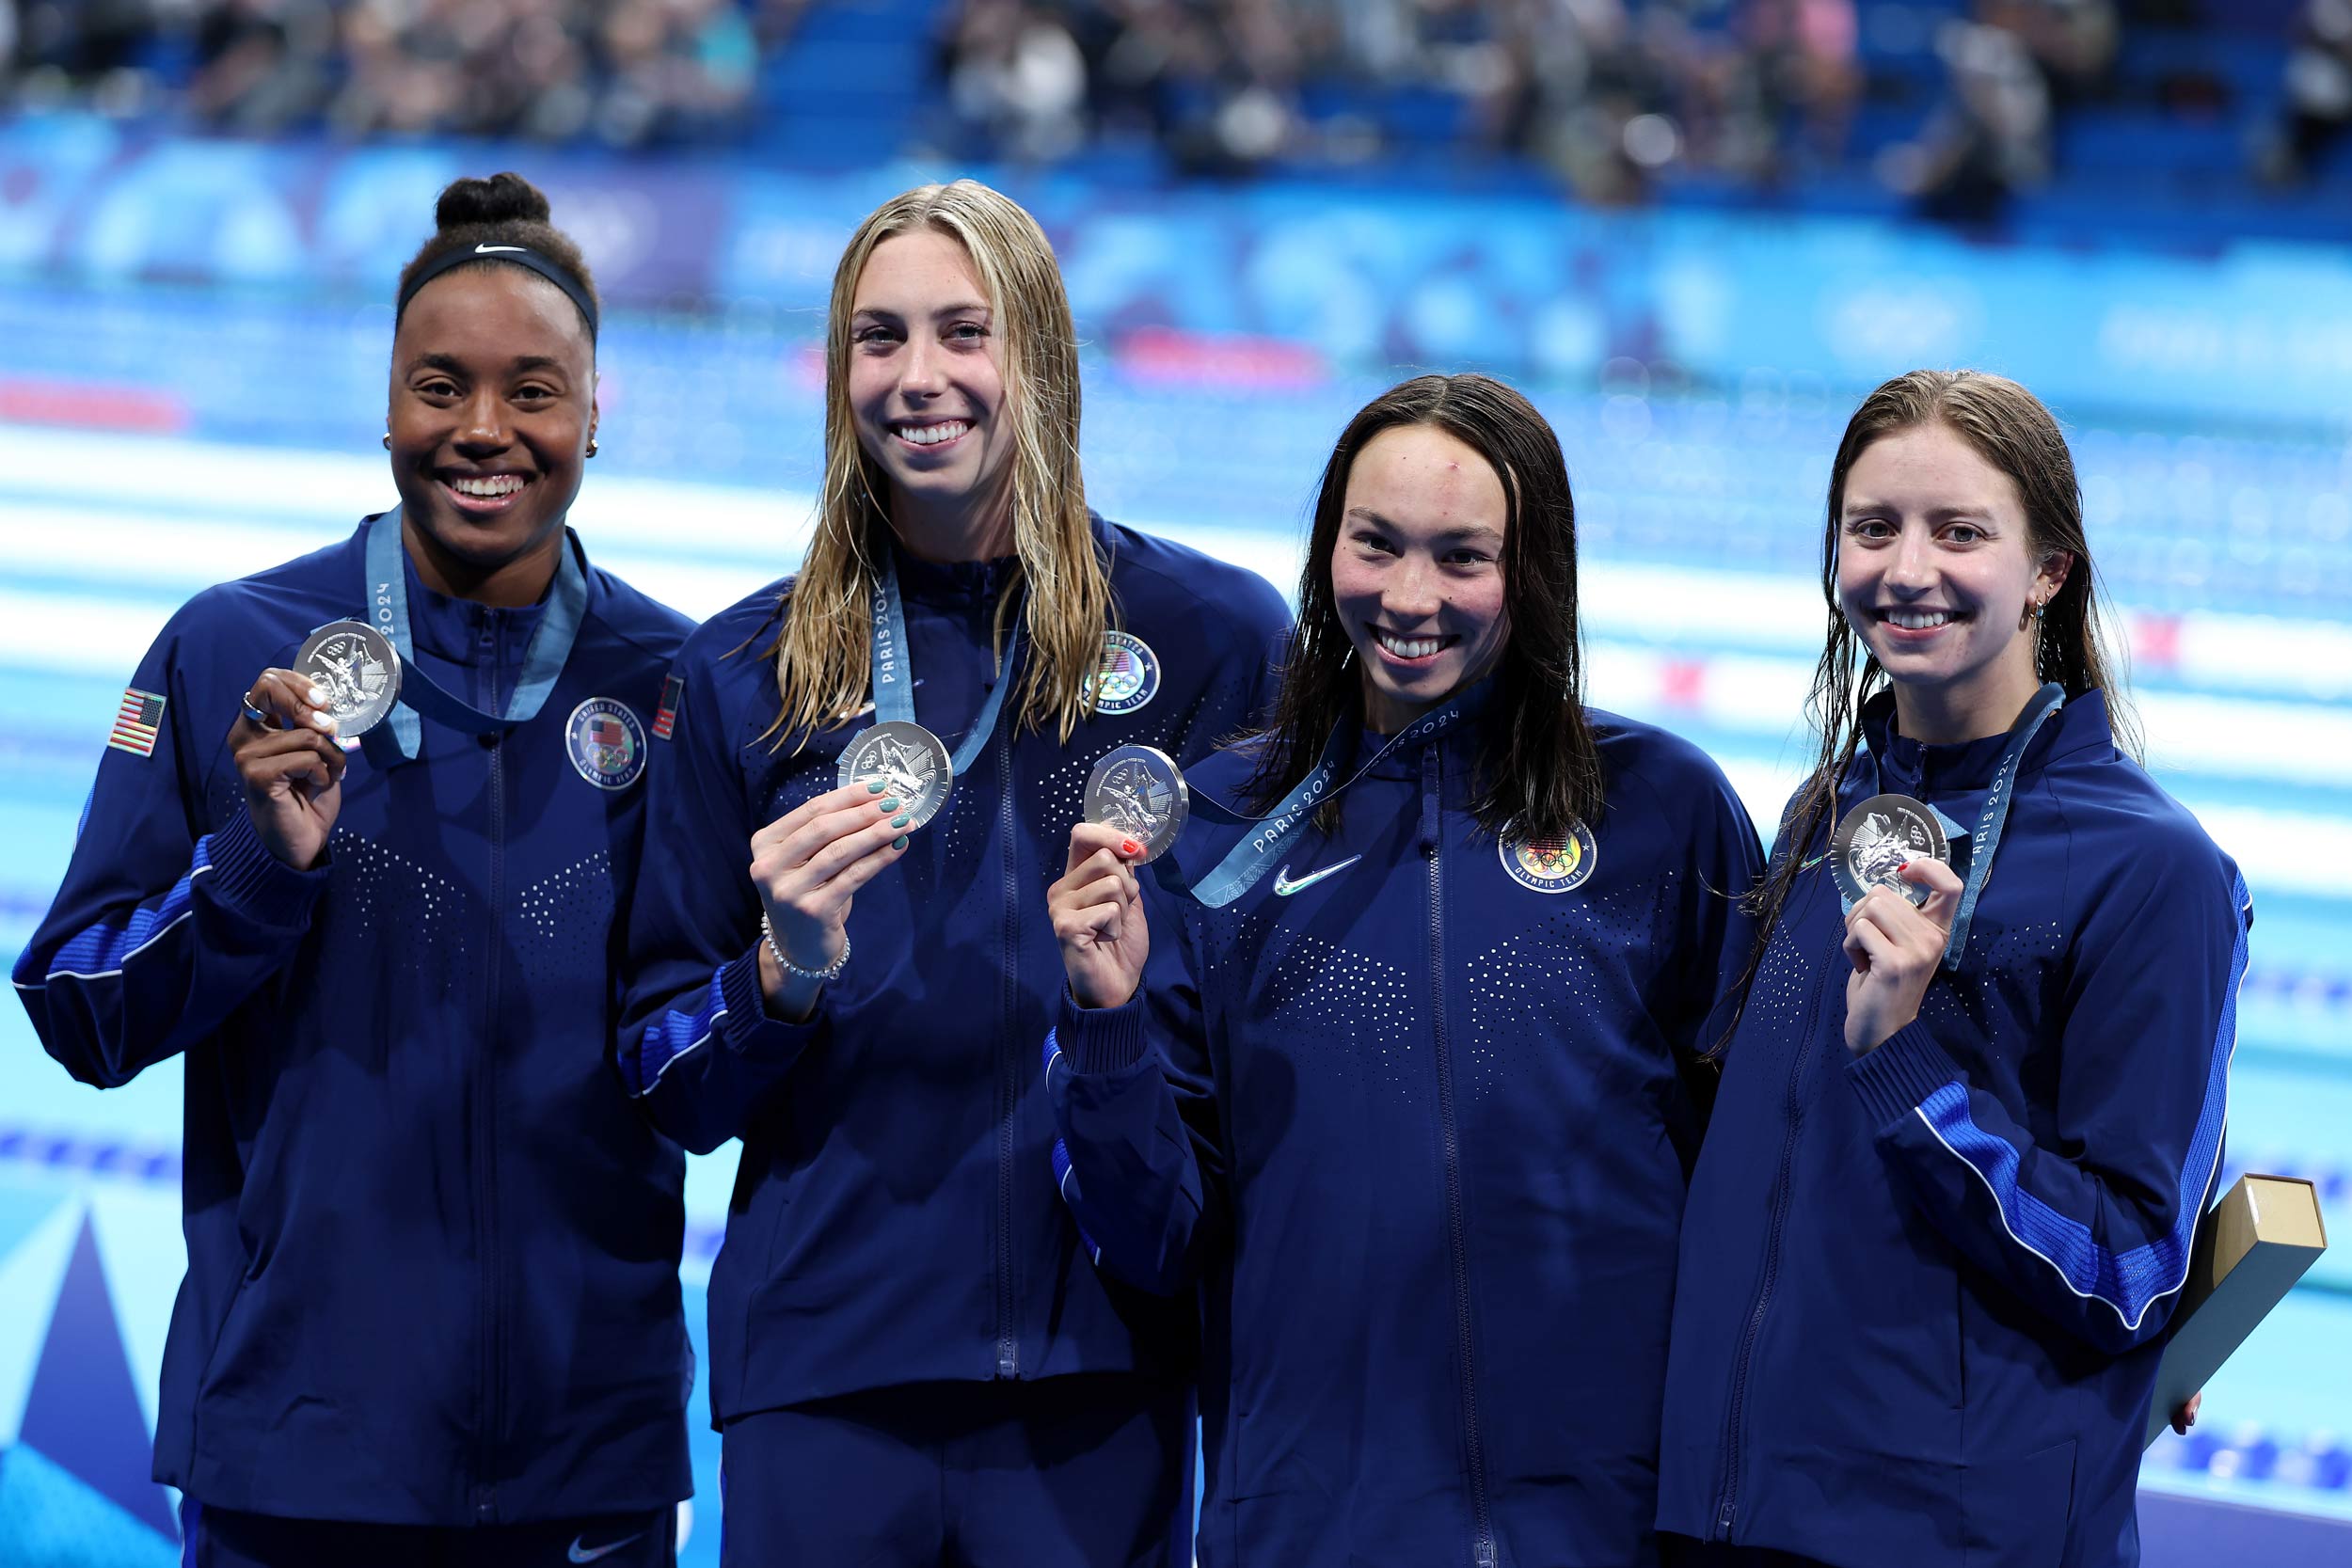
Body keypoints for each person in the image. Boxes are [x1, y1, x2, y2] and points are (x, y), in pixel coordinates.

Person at [12, 174, 695, 1565]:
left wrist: (798, 964)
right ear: (385, 404)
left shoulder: (680, 683)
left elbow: (701, 1053)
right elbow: (79, 1005)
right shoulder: (229, 649)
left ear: (596, 413)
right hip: (298, 1438)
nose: (485, 431)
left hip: (586, 1448)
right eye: (441, 387)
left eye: (535, 390)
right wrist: (254, 871)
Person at [615, 178, 1292, 1566]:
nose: (918, 377)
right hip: (826, 1376)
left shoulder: (1212, 640)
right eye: (878, 338)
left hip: (1103, 1370)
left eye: (962, 331)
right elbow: (663, 1078)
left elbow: (1268, 1031)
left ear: (1038, 352)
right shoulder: (748, 675)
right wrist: (777, 977)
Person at [1042, 372, 1765, 1565]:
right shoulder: (1218, 828)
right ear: (1330, 542)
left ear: (1530, 574)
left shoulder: (1658, 811)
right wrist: (1107, 1024)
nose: (1410, 596)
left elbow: (1752, 1184)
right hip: (1314, 1522)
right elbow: (1153, 1239)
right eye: (1375, 543)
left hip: (1603, 1522)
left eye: (1462, 556)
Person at [1655, 370, 2249, 1568]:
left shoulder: (2151, 868)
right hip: (1730, 1514)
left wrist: (1904, 1067)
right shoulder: (1827, 810)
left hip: (1948, 1536)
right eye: (1872, 527)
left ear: (2048, 571)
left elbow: (2129, 1268)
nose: (1907, 568)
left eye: (1959, 531)